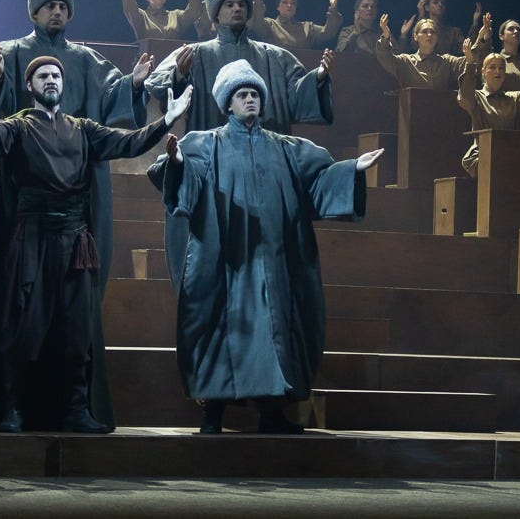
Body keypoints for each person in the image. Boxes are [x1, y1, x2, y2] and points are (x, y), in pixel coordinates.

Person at [0, 0, 155, 432]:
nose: (57, 13)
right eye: (49, 5)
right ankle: (10, 404)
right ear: (34, 10)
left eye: (63, 7)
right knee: (21, 307)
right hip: (24, 194)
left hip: (75, 201)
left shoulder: (86, 60)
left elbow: (116, 98)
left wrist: (133, 84)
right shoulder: (9, 52)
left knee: (73, 315)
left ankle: (74, 405)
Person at [0, 56, 190, 433]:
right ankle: (12, 409)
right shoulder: (18, 127)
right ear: (30, 86)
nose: (51, 81)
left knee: (75, 328)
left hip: (75, 239)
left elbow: (128, 143)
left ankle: (76, 410)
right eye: (43, 76)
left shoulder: (82, 129)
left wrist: (166, 120)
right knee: (25, 326)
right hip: (31, 237)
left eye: (55, 76)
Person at [149, 59, 382, 434]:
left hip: (275, 260)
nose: (251, 100)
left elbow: (319, 180)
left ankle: (272, 413)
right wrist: (176, 162)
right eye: (242, 95)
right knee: (218, 327)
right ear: (228, 103)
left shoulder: (287, 148)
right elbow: (179, 176)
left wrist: (350, 169)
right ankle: (213, 415)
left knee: (275, 329)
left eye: (255, 94)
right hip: (226, 258)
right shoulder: (206, 144)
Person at [146, 0, 334, 135]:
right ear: (216, 13)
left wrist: (317, 79)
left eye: (242, 4)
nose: (237, 8)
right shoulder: (195, 54)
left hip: (266, 153)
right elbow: (156, 87)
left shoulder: (275, 57)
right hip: (212, 153)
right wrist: (180, 74)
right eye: (229, 4)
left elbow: (296, 96)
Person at [457, 51, 520, 177]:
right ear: (483, 72)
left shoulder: (515, 98)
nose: (498, 71)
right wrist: (470, 64)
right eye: (492, 67)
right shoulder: (477, 97)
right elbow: (464, 96)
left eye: (501, 68)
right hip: (483, 155)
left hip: (512, 154)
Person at [375, 14, 473, 90]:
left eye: (433, 32)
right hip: (414, 112)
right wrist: (385, 37)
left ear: (437, 37)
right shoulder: (406, 61)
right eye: (425, 31)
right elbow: (385, 58)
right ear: (415, 36)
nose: (429, 35)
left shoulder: (447, 62)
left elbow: (471, 60)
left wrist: (483, 39)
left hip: (442, 111)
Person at [249, 0, 342, 50]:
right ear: (278, 6)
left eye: (293, 3)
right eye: (285, 2)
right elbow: (258, 23)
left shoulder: (307, 27)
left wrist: (333, 8)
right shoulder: (270, 25)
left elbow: (327, 33)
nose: (289, 5)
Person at [471, 16, 520, 95]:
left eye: (518, 30)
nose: (516, 31)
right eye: (511, 29)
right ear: (501, 36)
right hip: (499, 106)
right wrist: (484, 36)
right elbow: (474, 56)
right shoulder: (492, 60)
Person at [398, 0, 472, 56]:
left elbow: (467, 51)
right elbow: (413, 49)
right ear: (427, 7)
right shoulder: (421, 32)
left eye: (442, 3)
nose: (440, 5)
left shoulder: (454, 32)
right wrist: (403, 35)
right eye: (435, 2)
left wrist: (474, 24)